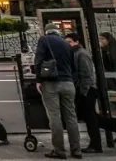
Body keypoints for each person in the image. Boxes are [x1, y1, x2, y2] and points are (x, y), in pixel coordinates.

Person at [35, 22, 81, 159]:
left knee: (55, 117)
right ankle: (76, 150)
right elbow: (73, 66)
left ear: (46, 31)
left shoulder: (43, 40)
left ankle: (59, 150)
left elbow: (38, 61)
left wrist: (38, 80)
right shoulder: (66, 43)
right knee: (71, 117)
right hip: (68, 83)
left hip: (51, 83)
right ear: (57, 31)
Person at [66, 33, 102, 153]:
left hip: (87, 90)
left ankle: (96, 144)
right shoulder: (75, 53)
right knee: (89, 117)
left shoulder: (81, 53)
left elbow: (87, 74)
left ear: (76, 41)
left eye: (70, 42)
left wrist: (84, 91)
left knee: (90, 117)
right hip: (83, 89)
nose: (68, 44)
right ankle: (96, 142)